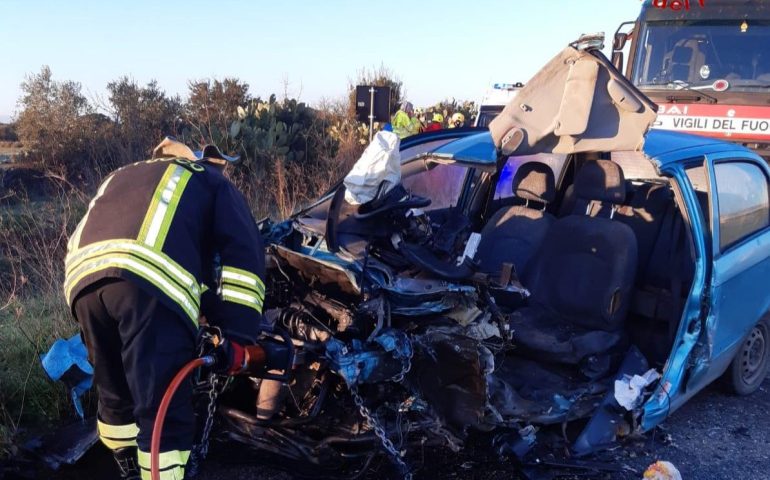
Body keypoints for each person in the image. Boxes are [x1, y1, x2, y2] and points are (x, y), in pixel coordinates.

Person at [64, 137, 266, 479]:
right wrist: (236, 335)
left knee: (115, 393)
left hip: (82, 280)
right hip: (148, 283)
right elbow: (244, 259)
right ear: (209, 162)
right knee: (162, 410)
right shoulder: (211, 180)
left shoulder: (126, 174)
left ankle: (128, 470)